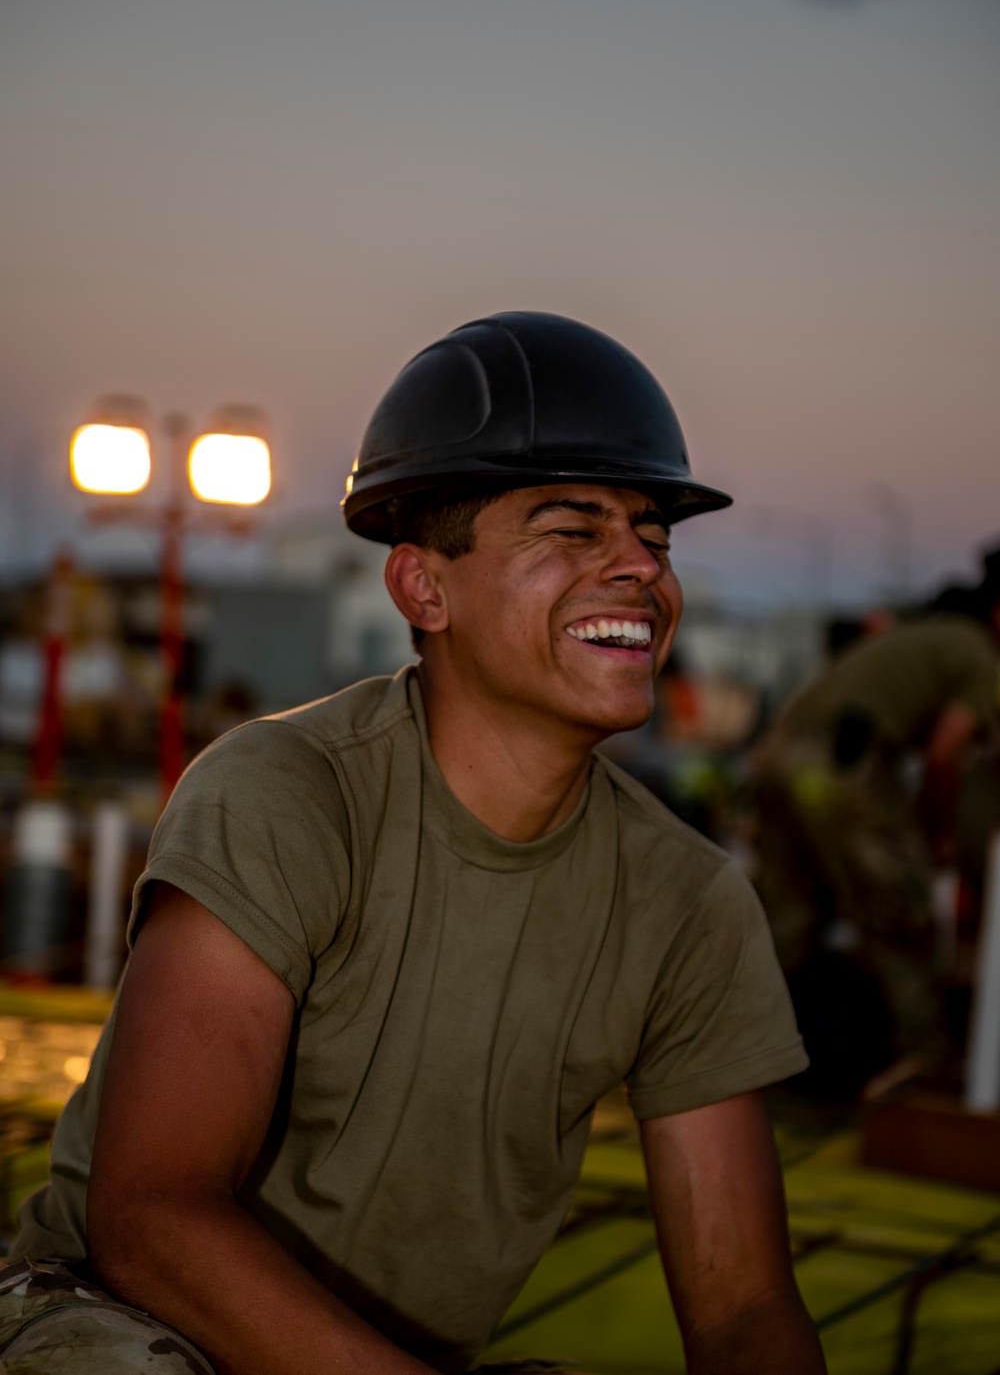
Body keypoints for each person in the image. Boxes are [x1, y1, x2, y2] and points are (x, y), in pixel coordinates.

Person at [5, 313, 823, 1374]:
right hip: (110, 1321)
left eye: (654, 537)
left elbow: (743, 1313)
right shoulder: (287, 794)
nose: (640, 569)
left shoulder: (689, 905)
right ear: (421, 587)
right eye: (573, 530)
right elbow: (152, 1218)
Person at [752, 562, 1000, 1094]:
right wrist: (936, 836)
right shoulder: (978, 652)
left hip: (782, 757)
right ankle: (926, 1060)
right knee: (899, 909)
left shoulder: (927, 634)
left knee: (787, 916)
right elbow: (944, 754)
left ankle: (722, 1047)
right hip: (838, 764)